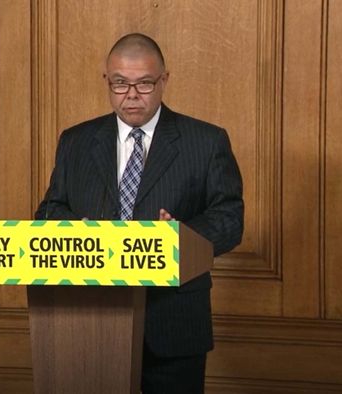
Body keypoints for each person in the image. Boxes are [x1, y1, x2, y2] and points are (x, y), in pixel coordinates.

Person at [35, 33, 244, 394]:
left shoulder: (206, 141)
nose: (131, 94)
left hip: (174, 326)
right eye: (120, 83)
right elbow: (49, 211)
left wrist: (180, 238)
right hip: (88, 324)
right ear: (107, 81)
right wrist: (72, 230)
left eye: (144, 83)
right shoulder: (76, 141)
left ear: (164, 80)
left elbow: (229, 218)